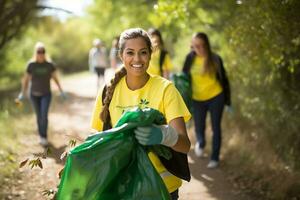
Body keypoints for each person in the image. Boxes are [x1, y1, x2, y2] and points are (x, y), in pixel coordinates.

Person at [90, 28, 191, 199]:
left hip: (162, 188)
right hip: (122, 187)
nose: (137, 59)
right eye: (130, 53)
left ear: (151, 54)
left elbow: (185, 144)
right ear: (121, 55)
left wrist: (163, 135)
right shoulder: (108, 90)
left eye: (143, 52)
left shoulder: (166, 89)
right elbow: (95, 134)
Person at [182, 32, 231, 168]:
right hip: (197, 99)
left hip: (216, 96)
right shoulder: (190, 58)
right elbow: (184, 77)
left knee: (216, 127)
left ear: (207, 45)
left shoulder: (215, 59)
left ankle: (215, 158)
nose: (200, 48)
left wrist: (228, 102)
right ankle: (201, 143)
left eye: (203, 45)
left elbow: (224, 80)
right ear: (192, 46)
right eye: (196, 46)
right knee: (199, 126)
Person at [17, 42, 65, 146]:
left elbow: (55, 78)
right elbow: (26, 80)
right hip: (33, 95)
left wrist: (61, 90)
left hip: (46, 94)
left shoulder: (49, 65)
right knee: (38, 116)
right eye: (39, 51)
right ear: (36, 53)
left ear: (45, 52)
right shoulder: (31, 65)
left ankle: (44, 136)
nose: (41, 53)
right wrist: (22, 93)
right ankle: (41, 136)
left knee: (44, 115)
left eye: (43, 51)